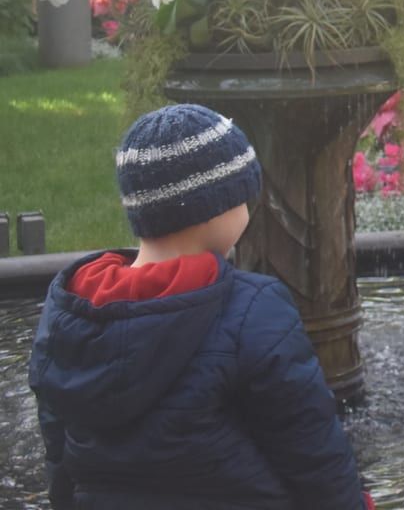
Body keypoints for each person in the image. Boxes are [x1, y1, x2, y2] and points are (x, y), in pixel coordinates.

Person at [28, 103, 371, 509]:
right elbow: (312, 451)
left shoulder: (72, 309)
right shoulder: (252, 310)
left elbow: (58, 453)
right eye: (245, 198)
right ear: (218, 208)